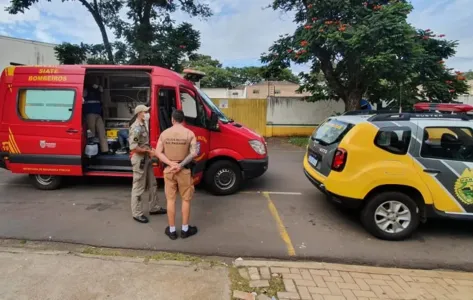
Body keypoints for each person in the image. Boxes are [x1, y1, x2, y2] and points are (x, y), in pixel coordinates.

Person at [156, 109, 199, 240]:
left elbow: (158, 152)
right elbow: (194, 153)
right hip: (184, 170)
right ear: (183, 120)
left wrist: (171, 163)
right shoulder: (190, 133)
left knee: (170, 200)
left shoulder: (164, 134)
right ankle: (185, 230)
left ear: (172, 120)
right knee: (186, 199)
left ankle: (172, 230)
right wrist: (179, 165)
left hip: (169, 170)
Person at [129, 105, 167, 223]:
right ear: (140, 113)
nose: (147, 113)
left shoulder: (143, 125)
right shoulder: (136, 128)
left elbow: (144, 143)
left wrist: (151, 150)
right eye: (145, 112)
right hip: (139, 160)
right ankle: (137, 213)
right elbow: (134, 147)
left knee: (153, 184)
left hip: (146, 159)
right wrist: (148, 151)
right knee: (138, 187)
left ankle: (154, 207)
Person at [83, 76, 109, 154]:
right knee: (91, 133)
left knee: (102, 132)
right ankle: (90, 151)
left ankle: (105, 150)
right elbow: (83, 96)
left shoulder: (98, 89)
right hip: (90, 113)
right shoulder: (86, 88)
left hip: (97, 113)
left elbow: (102, 92)